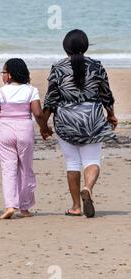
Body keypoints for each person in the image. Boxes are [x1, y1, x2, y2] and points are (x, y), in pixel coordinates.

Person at [42, 29, 118, 218]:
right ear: (85, 46)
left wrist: (44, 126)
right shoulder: (96, 66)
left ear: (65, 47)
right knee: (92, 160)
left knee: (72, 162)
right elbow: (105, 93)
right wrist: (111, 114)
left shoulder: (58, 68)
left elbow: (51, 99)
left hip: (66, 118)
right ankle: (88, 187)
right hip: (92, 117)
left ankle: (76, 206)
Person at [0, 58, 52, 219]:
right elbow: (38, 114)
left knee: (8, 169)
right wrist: (44, 129)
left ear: (10, 75)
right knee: (25, 169)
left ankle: (10, 206)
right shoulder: (30, 90)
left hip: (5, 131)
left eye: (4, 72)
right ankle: (25, 208)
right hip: (24, 130)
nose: (2, 75)